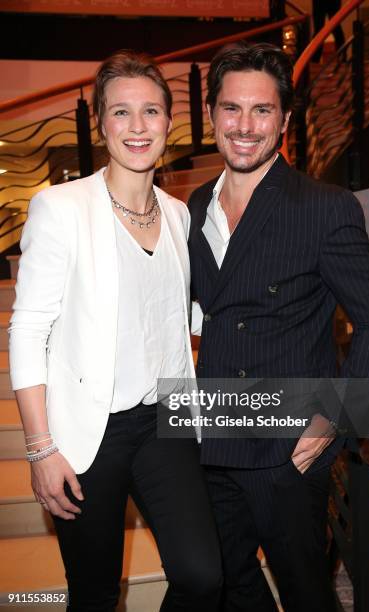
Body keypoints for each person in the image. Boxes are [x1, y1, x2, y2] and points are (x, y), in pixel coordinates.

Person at [188, 42, 369, 611]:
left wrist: (330, 420)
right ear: (211, 115)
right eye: (231, 108)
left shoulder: (323, 206)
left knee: (305, 589)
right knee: (225, 580)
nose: (244, 125)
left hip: (285, 444)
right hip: (208, 435)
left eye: (262, 110)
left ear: (284, 120)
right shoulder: (191, 208)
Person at [9, 50, 222, 612]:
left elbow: (178, 315)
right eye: (121, 112)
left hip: (165, 422)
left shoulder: (178, 214)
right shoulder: (61, 207)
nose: (137, 126)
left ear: (169, 123)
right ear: (101, 123)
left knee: (202, 576)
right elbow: (28, 330)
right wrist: (40, 449)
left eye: (150, 111)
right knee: (95, 592)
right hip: (87, 431)